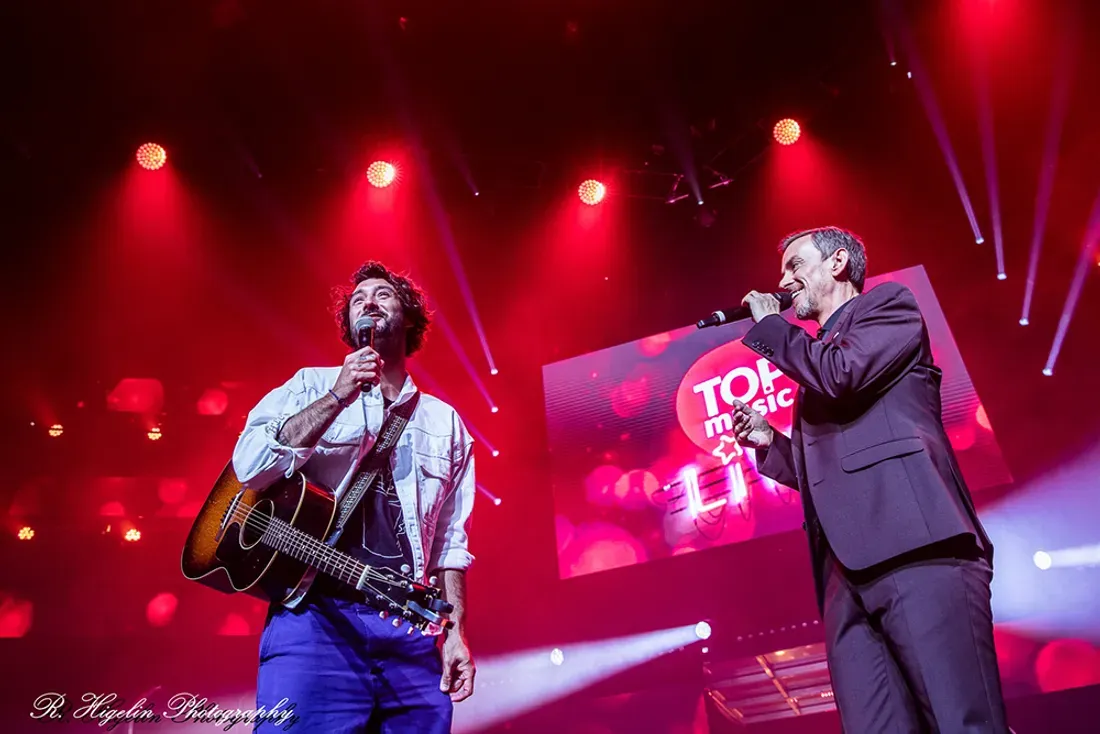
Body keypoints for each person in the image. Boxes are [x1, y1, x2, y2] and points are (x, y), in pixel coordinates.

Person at [732, 227, 1008, 732]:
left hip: (917, 548)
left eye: (794, 267)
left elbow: (842, 373)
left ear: (837, 264)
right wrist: (772, 443)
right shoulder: (816, 365)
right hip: (845, 574)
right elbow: (829, 472)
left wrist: (772, 327)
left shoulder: (888, 307)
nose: (784, 280)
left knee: (960, 721)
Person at [232, 261, 476, 732]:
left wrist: (455, 632)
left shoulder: (446, 423)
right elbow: (250, 468)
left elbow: (451, 541)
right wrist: (339, 394)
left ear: (408, 318)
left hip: (410, 634)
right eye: (358, 297)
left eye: (383, 294)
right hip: (313, 620)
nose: (369, 300)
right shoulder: (309, 385)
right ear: (348, 322)